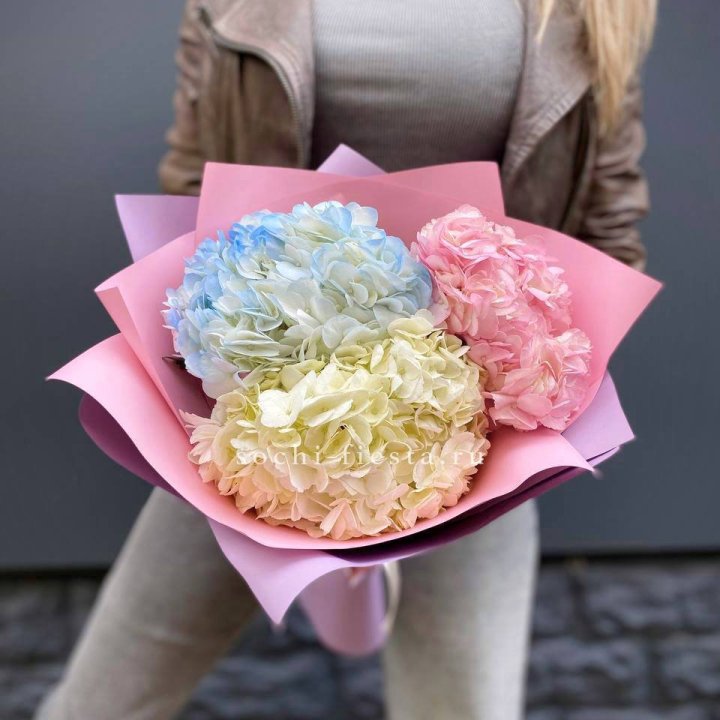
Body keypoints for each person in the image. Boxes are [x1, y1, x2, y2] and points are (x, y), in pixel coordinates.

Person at [37, 1, 655, 718]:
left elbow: (609, 218)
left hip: (474, 437)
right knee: (102, 702)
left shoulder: (597, 9)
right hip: (256, 422)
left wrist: (527, 377)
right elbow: (191, 179)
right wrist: (211, 357)